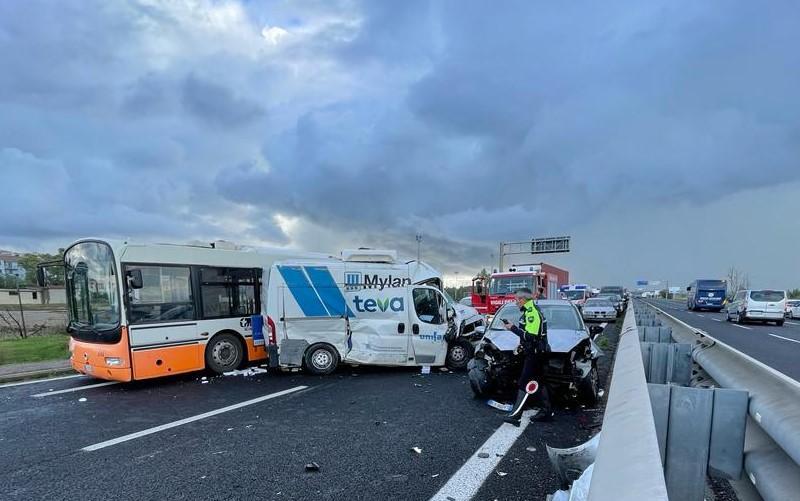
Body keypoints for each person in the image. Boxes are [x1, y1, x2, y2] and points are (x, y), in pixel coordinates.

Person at [502, 287, 553, 425]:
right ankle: (546, 411)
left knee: (524, 383)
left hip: (535, 354)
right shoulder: (530, 311)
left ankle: (515, 415)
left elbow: (530, 336)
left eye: (516, 300)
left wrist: (512, 328)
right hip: (537, 352)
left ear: (523, 300)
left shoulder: (532, 313)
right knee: (540, 382)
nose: (515, 303)